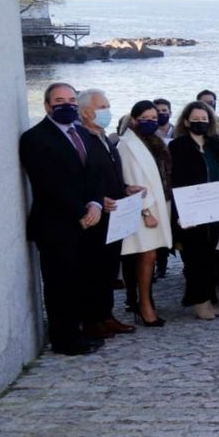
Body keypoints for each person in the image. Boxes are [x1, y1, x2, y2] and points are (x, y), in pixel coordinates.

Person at [19, 83, 108, 354]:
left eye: (71, 99)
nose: (66, 105)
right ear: (47, 106)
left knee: (82, 280)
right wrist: (80, 212)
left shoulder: (81, 133)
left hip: (87, 221)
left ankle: (79, 331)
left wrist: (94, 204)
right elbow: (48, 183)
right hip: (56, 224)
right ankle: (64, 339)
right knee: (61, 284)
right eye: (59, 100)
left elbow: (93, 175)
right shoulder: (35, 138)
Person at [77, 88, 138, 339]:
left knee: (109, 268)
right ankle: (92, 319)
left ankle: (106, 315)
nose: (107, 111)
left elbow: (110, 172)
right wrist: (96, 199)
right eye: (102, 107)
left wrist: (125, 188)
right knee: (94, 269)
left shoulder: (103, 137)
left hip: (115, 214)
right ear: (86, 112)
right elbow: (77, 178)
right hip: (95, 216)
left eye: (107, 106)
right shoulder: (81, 139)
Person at [169, 101, 219, 320]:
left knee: (216, 256)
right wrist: (179, 215)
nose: (199, 123)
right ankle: (200, 302)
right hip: (192, 212)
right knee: (196, 259)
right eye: (195, 119)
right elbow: (174, 182)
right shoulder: (177, 147)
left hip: (216, 210)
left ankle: (205, 295)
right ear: (186, 122)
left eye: (204, 119)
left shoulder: (215, 145)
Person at [117, 100, 174, 328]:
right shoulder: (127, 145)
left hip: (161, 204)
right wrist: (146, 211)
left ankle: (145, 301)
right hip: (144, 209)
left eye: (154, 118)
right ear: (133, 120)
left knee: (149, 256)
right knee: (145, 257)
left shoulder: (155, 142)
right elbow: (133, 182)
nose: (151, 121)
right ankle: (144, 305)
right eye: (145, 118)